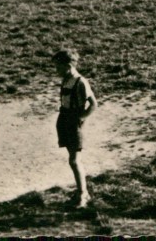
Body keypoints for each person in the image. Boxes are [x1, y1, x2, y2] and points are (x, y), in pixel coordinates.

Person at [53, 49, 97, 209]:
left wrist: (81, 118)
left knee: (74, 160)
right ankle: (81, 192)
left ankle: (83, 195)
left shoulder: (80, 82)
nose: (56, 70)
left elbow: (93, 104)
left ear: (68, 65)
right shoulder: (66, 80)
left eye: (58, 66)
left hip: (73, 121)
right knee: (72, 160)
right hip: (64, 119)